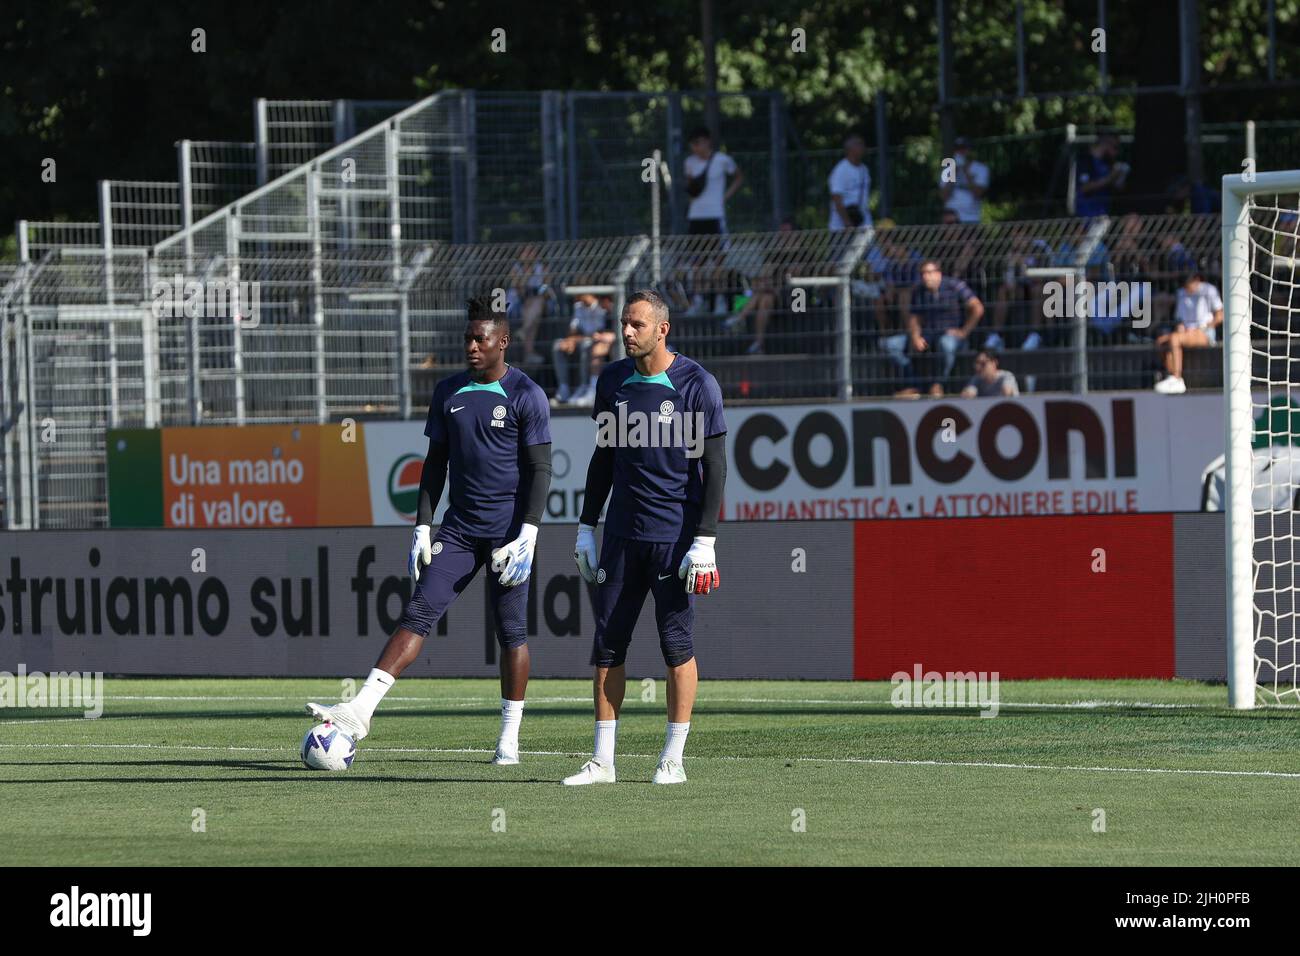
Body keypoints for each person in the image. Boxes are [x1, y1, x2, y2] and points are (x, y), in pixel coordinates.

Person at [306, 296, 552, 765]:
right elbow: (435, 464)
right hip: (458, 530)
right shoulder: (448, 392)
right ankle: (360, 710)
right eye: (467, 339)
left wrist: (530, 531)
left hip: (508, 536)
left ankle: (509, 738)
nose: (471, 347)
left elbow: (540, 469)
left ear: (503, 342)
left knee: (511, 633)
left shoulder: (527, 394)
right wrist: (422, 525)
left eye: (480, 339)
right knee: (419, 612)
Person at [564, 290, 727, 786]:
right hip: (619, 536)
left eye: (636, 324)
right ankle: (602, 761)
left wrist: (705, 541)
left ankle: (672, 758)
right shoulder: (612, 380)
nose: (626, 332)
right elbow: (602, 462)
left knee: (676, 644)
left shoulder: (696, 384)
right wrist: (585, 527)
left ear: (663, 329)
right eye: (623, 324)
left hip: (673, 538)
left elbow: (714, 467)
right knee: (607, 645)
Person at [884, 259, 984, 397]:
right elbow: (914, 318)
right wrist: (915, 337)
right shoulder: (918, 291)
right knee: (891, 345)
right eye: (923, 273)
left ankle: (938, 384)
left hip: (950, 335)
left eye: (929, 273)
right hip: (927, 334)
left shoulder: (955, 285)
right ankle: (915, 385)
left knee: (946, 344)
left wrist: (964, 331)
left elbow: (977, 308)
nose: (926, 277)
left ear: (938, 273)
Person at [683, 127, 742, 314]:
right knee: (696, 262)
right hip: (696, 217)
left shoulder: (722, 160)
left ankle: (720, 301)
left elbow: (739, 176)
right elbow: (691, 188)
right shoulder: (690, 162)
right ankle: (698, 300)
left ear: (707, 141)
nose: (695, 148)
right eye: (692, 145)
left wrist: (725, 197)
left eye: (698, 143)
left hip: (715, 215)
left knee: (718, 261)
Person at [1155, 272, 1223, 394]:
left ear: (1197, 280)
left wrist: (1204, 327)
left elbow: (1219, 316)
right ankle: (1172, 376)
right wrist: (1181, 328)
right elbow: (1180, 320)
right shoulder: (1181, 292)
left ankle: (1177, 378)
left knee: (1175, 339)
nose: (1187, 287)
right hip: (1186, 333)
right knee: (1161, 341)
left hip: (1205, 332)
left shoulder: (1209, 290)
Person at [552, 292, 615, 406]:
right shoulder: (578, 307)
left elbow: (602, 334)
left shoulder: (602, 307)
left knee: (588, 346)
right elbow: (573, 330)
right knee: (558, 345)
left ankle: (587, 387)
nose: (578, 295)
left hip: (597, 343)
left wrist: (577, 339)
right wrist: (570, 340)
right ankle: (564, 388)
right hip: (582, 341)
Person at [505, 245, 554, 364]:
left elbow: (546, 289)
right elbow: (519, 290)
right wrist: (527, 273)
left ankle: (523, 332)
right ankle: (529, 353)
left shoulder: (542, 268)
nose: (528, 255)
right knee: (534, 316)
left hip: (539, 302)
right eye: (525, 252)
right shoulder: (516, 269)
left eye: (531, 252)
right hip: (519, 304)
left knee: (536, 304)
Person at [1075, 132, 1129, 217]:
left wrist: (1121, 177)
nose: (1116, 153)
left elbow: (1118, 188)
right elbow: (1084, 188)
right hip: (1087, 215)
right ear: (1106, 144)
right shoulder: (1086, 161)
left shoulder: (1108, 163)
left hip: (1105, 214)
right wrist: (1110, 179)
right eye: (1115, 148)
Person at [939, 137, 989, 223]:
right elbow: (944, 196)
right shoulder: (947, 170)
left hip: (971, 217)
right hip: (951, 218)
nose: (960, 152)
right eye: (957, 149)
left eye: (963, 149)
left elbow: (978, 193)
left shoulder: (980, 169)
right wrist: (953, 172)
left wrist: (966, 171)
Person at [828, 133, 872, 230]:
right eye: (859, 145)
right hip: (842, 227)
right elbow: (837, 198)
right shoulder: (841, 170)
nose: (863, 148)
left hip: (863, 223)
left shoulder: (864, 169)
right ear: (850, 149)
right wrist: (847, 223)